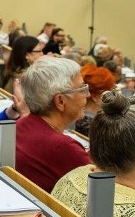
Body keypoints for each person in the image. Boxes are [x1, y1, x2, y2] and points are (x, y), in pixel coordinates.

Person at [15, 57, 91, 192]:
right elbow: (105, 189)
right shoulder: (64, 148)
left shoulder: (21, 123)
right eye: (82, 89)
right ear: (60, 101)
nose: (88, 94)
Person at [73, 65, 117, 136]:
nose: (113, 95)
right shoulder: (93, 125)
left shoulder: (78, 116)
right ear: (95, 96)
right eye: (110, 91)